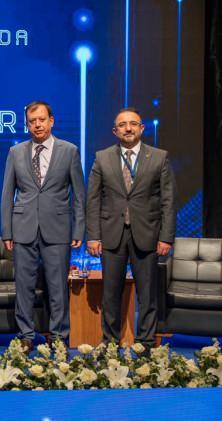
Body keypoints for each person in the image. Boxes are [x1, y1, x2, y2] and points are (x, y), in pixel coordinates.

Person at [86, 107, 176, 350]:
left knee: (147, 294)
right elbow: (93, 200)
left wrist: (166, 237)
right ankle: (110, 344)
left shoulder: (159, 157)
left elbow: (168, 201)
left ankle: (145, 344)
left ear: (141, 128)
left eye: (133, 124)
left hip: (147, 234)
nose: (128, 128)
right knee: (110, 294)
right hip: (111, 234)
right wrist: (93, 236)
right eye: (122, 125)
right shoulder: (102, 157)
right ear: (115, 131)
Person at [0, 100, 85, 352]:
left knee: (57, 287)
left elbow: (79, 195)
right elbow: (7, 194)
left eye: (41, 120)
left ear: (51, 121)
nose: (37, 125)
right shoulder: (16, 152)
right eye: (32, 121)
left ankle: (58, 337)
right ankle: (26, 336)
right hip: (23, 227)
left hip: (57, 228)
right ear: (27, 125)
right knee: (24, 286)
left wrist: (79, 229)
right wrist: (7, 231)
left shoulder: (69, 151)